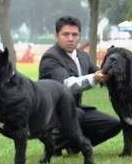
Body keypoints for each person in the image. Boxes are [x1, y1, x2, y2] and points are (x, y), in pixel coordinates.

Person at [39, 16, 121, 152]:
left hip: (75, 109)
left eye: (74, 34)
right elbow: (67, 86)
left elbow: (100, 73)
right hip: (53, 111)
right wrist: (94, 78)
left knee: (114, 125)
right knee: (78, 115)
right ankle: (53, 144)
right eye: (65, 34)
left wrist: (117, 73)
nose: (70, 39)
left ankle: (75, 145)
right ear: (56, 36)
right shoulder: (51, 58)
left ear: (79, 36)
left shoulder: (82, 56)